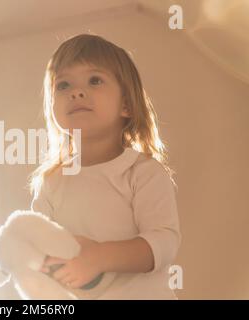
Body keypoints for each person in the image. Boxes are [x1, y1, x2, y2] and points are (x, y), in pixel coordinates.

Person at [29, 34, 181, 299]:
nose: (76, 92)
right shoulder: (51, 182)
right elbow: (37, 248)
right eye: (63, 85)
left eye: (94, 80)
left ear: (126, 105)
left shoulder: (143, 173)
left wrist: (99, 257)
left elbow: (163, 244)